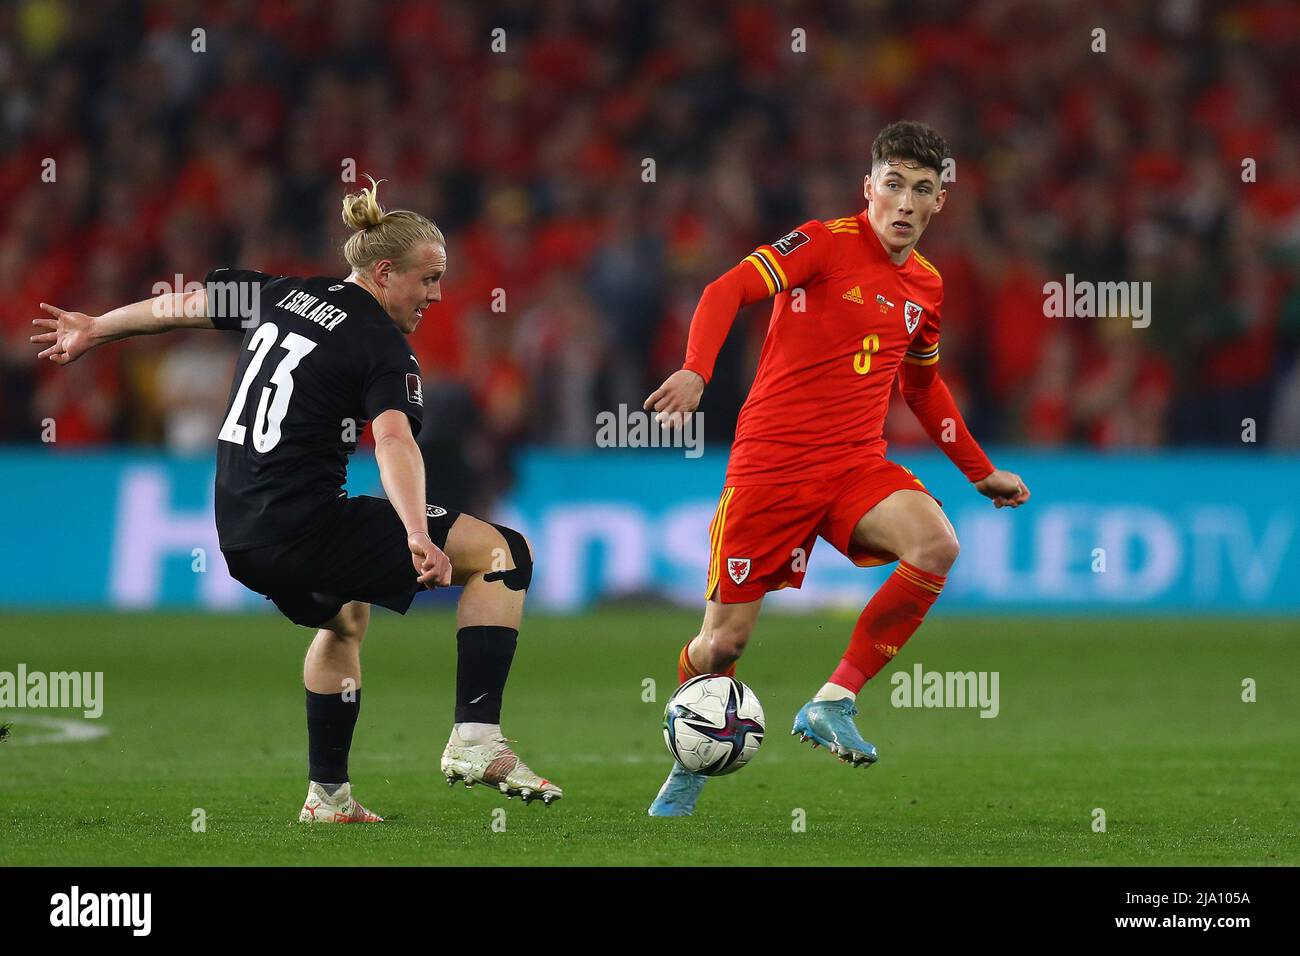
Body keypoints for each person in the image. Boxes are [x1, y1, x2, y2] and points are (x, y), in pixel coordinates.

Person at [31, 178, 562, 820]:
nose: (436, 295)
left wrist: (97, 329)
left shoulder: (287, 292)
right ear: (386, 272)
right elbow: (393, 440)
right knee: (505, 553)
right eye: (428, 279)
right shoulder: (382, 348)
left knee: (345, 617)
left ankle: (328, 796)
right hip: (302, 528)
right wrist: (417, 531)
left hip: (240, 534)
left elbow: (188, 306)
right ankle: (477, 738)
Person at [642, 121, 1030, 816]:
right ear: (868, 188)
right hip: (771, 466)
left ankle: (833, 699)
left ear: (941, 201)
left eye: (923, 189)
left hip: (854, 466)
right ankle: (690, 756)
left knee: (937, 543)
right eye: (893, 185)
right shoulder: (824, 242)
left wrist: (978, 471)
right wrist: (696, 372)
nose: (906, 202)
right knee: (722, 643)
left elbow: (921, 388)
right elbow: (725, 289)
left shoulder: (928, 286)